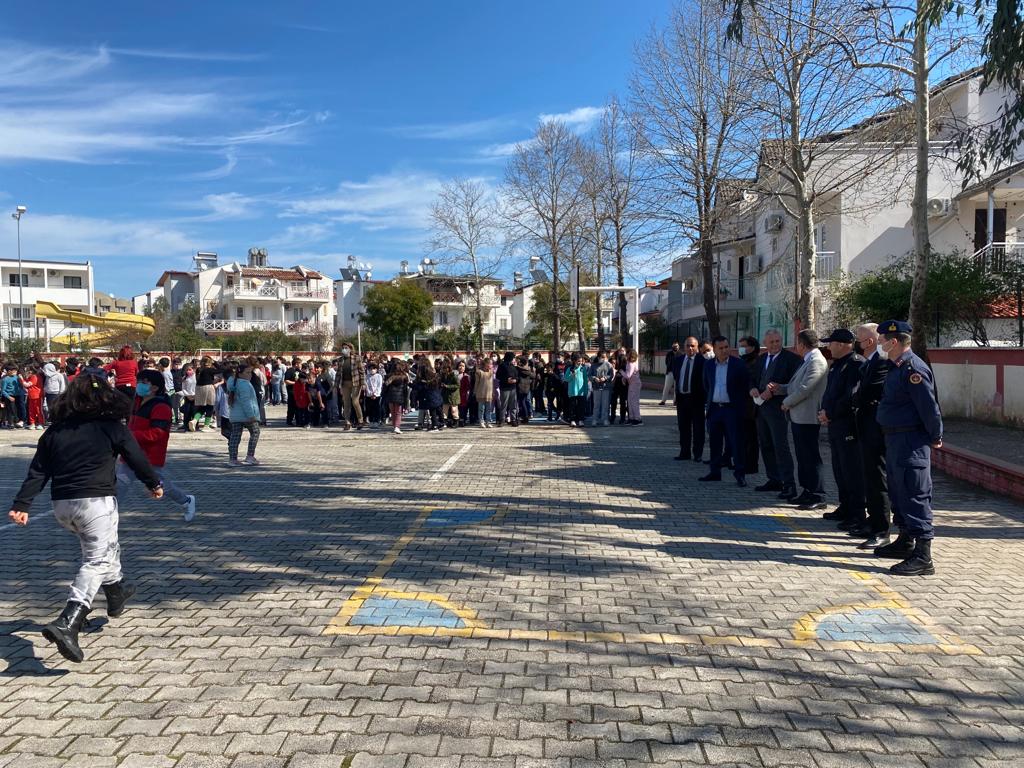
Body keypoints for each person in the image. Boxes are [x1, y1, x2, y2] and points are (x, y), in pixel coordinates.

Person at [8, 373, 164, 663]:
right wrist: (153, 483)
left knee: (106, 547)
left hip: (62, 506)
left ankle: (116, 591)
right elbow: (136, 458)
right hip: (96, 503)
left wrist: (22, 504)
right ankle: (69, 621)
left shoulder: (54, 431)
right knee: (97, 560)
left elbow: (38, 471)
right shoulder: (112, 427)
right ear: (107, 397)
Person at [874, 320, 943, 576]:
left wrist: (936, 434)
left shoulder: (913, 368)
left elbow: (929, 407)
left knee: (914, 493)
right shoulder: (896, 367)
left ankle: (923, 556)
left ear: (893, 342)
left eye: (882, 340)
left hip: (910, 440)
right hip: (895, 439)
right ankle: (905, 541)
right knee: (898, 491)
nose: (879, 344)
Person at [117, 369, 197, 522]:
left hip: (150, 455)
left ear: (155, 387)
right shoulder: (137, 401)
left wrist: (130, 436)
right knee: (120, 484)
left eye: (144, 382)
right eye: (138, 381)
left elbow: (157, 433)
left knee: (161, 485)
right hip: (131, 453)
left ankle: (187, 500)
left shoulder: (161, 406)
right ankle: (108, 515)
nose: (139, 385)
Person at [819, 329, 867, 535]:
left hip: (848, 425)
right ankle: (845, 506)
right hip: (835, 424)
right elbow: (830, 393)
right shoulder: (837, 364)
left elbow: (850, 396)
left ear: (842, 344)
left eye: (831, 343)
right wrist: (824, 411)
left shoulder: (856, 364)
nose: (828, 347)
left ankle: (857, 514)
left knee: (852, 470)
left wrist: (830, 413)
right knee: (839, 469)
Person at [852, 323, 895, 550]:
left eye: (858, 340)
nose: (856, 344)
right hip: (866, 425)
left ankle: (882, 530)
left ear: (869, 341)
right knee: (869, 477)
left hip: (875, 428)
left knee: (878, 479)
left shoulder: (881, 362)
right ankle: (873, 521)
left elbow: (867, 391)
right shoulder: (870, 361)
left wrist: (855, 398)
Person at [777, 330, 829, 510]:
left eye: (797, 342)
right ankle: (807, 491)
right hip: (799, 416)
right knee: (803, 456)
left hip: (808, 416)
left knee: (810, 456)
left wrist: (786, 402)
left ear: (801, 344)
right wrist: (781, 388)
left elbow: (805, 389)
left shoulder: (816, 361)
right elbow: (796, 386)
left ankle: (817, 494)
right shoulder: (808, 360)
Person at [751, 329, 803, 498]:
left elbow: (795, 384)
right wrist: (753, 389)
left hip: (779, 409)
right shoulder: (760, 359)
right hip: (761, 408)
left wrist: (776, 391)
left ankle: (789, 484)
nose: (775, 345)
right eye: (771, 342)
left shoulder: (792, 359)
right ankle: (774, 479)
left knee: (780, 446)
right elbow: (752, 378)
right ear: (765, 343)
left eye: (777, 341)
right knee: (766, 444)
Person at [699, 336, 750, 486]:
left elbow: (745, 386)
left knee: (736, 442)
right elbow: (706, 385)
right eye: (720, 348)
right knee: (714, 442)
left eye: (726, 347)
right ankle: (715, 472)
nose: (724, 350)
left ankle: (740, 474)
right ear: (714, 349)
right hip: (715, 408)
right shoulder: (708, 365)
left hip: (732, 410)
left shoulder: (738, 364)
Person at [670, 337, 706, 462]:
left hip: (696, 399)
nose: (690, 348)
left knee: (698, 428)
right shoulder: (678, 360)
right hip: (682, 399)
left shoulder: (702, 361)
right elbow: (677, 378)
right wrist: (676, 396)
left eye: (693, 346)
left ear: (697, 347)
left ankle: (698, 453)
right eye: (688, 346)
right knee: (683, 427)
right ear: (684, 347)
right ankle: (684, 452)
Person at [227, 365, 261, 466]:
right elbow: (246, 401)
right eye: (247, 372)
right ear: (240, 374)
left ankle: (233, 459)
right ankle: (250, 456)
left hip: (236, 415)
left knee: (235, 436)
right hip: (246, 415)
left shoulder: (233, 383)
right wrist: (251, 415)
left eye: (250, 372)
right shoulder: (244, 384)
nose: (250, 375)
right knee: (255, 432)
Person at [737, 337, 761, 474]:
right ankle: (743, 461)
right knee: (743, 437)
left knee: (750, 437)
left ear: (752, 347)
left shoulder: (755, 362)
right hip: (741, 405)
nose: (741, 349)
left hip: (751, 407)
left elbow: (750, 381)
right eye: (740, 346)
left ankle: (751, 465)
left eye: (744, 346)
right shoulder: (743, 361)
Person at [190, 356, 218, 432]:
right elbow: (221, 369)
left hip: (199, 388)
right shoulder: (209, 370)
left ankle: (195, 420)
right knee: (210, 406)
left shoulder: (199, 369)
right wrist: (215, 363)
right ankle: (206, 426)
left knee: (202, 407)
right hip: (208, 387)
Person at [383, 361, 410, 434]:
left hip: (390, 396)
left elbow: (385, 385)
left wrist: (384, 394)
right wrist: (406, 399)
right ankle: (397, 427)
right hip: (400, 396)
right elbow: (405, 389)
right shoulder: (404, 377)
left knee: (393, 412)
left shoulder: (389, 376)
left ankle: (394, 426)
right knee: (398, 412)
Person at [588, 351, 613, 427]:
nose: (603, 358)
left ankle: (605, 419)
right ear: (598, 357)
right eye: (602, 357)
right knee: (596, 405)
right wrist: (594, 378)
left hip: (606, 387)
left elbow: (611, 375)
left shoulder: (609, 365)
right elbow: (589, 375)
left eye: (605, 357)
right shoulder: (593, 365)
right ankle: (595, 420)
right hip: (596, 387)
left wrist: (605, 378)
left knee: (605, 405)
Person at [563, 353, 587, 427]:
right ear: (574, 361)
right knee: (572, 406)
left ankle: (580, 420)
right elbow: (565, 379)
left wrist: (585, 390)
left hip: (581, 391)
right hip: (572, 391)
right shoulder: (570, 369)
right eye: (578, 361)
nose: (580, 363)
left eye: (581, 361)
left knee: (581, 406)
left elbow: (585, 380)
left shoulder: (583, 368)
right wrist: (571, 375)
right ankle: (572, 420)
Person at [496, 352, 519, 427]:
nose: (514, 359)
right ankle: (502, 420)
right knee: (504, 405)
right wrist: (506, 380)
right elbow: (498, 376)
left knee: (513, 405)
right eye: (513, 357)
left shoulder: (513, 366)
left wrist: (515, 380)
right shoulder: (502, 365)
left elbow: (517, 375)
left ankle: (513, 420)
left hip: (513, 388)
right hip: (505, 388)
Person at [474, 357, 495, 428]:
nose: (491, 365)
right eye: (490, 364)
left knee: (488, 409)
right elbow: (476, 383)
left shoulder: (491, 372)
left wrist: (493, 391)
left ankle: (488, 421)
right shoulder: (479, 372)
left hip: (489, 393)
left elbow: (492, 383)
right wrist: (475, 391)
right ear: (485, 364)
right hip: (481, 393)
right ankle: (481, 421)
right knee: (481, 409)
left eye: (492, 364)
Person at [625, 350, 643, 425]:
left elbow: (628, 375)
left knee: (634, 402)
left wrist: (621, 372)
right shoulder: (629, 363)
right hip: (632, 384)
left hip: (635, 384)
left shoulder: (631, 364)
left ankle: (638, 419)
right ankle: (632, 418)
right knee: (630, 401)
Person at [365, 362, 383, 427]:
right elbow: (366, 385)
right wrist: (370, 393)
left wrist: (375, 394)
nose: (372, 370)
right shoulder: (367, 376)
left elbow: (379, 386)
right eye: (370, 369)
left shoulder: (379, 376)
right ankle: (371, 420)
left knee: (377, 408)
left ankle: (377, 421)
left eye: (373, 369)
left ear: (376, 369)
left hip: (377, 395)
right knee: (370, 408)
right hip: (369, 395)